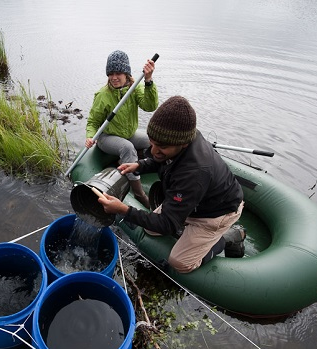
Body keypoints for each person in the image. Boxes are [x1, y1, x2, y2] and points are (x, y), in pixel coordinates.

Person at [97, 95, 246, 273]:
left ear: (182, 144)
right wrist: (140, 165)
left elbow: (167, 223)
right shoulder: (181, 139)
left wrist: (123, 210)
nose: (153, 151)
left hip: (217, 213)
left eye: (161, 147)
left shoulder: (195, 172)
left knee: (180, 263)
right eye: (152, 143)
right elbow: (161, 159)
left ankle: (229, 237)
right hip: (195, 203)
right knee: (150, 229)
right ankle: (187, 229)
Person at [85, 50, 158, 209]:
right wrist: (90, 136)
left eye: (118, 73)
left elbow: (150, 106)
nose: (114, 77)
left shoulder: (134, 89)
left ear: (126, 73)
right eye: (110, 73)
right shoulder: (103, 95)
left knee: (153, 141)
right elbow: (92, 121)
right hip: (107, 137)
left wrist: (148, 80)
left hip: (128, 134)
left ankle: (129, 163)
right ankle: (139, 193)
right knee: (127, 147)